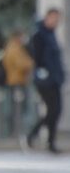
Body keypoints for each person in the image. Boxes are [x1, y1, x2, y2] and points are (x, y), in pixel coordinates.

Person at [26, 9, 65, 154]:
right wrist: (44, 71)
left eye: (57, 19)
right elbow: (37, 57)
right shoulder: (39, 35)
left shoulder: (52, 35)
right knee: (53, 110)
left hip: (55, 79)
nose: (55, 21)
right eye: (53, 18)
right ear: (47, 18)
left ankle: (45, 140)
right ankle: (39, 137)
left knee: (55, 111)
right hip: (45, 80)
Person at [2, 31, 34, 137]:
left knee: (18, 107)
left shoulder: (17, 48)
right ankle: (13, 131)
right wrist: (30, 63)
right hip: (16, 82)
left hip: (19, 81)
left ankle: (16, 131)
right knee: (16, 107)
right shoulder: (13, 48)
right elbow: (22, 64)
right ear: (17, 37)